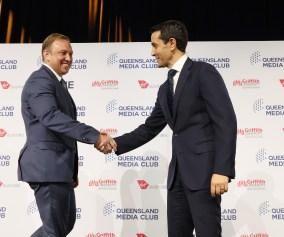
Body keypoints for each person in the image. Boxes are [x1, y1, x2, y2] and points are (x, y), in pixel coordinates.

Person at [112, 20, 237, 237]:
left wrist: (222, 170)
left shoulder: (202, 72)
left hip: (205, 175)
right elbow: (149, 129)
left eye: (154, 45)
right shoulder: (164, 89)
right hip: (177, 178)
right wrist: (115, 143)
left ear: (171, 43)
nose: (152, 52)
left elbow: (226, 121)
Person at [17, 33, 115, 237]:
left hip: (59, 168)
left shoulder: (57, 83)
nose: (69, 58)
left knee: (64, 225)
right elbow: (50, 116)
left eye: (70, 53)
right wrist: (95, 136)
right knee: (55, 230)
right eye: (63, 52)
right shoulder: (40, 80)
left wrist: (71, 172)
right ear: (46, 55)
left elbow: (61, 127)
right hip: (47, 167)